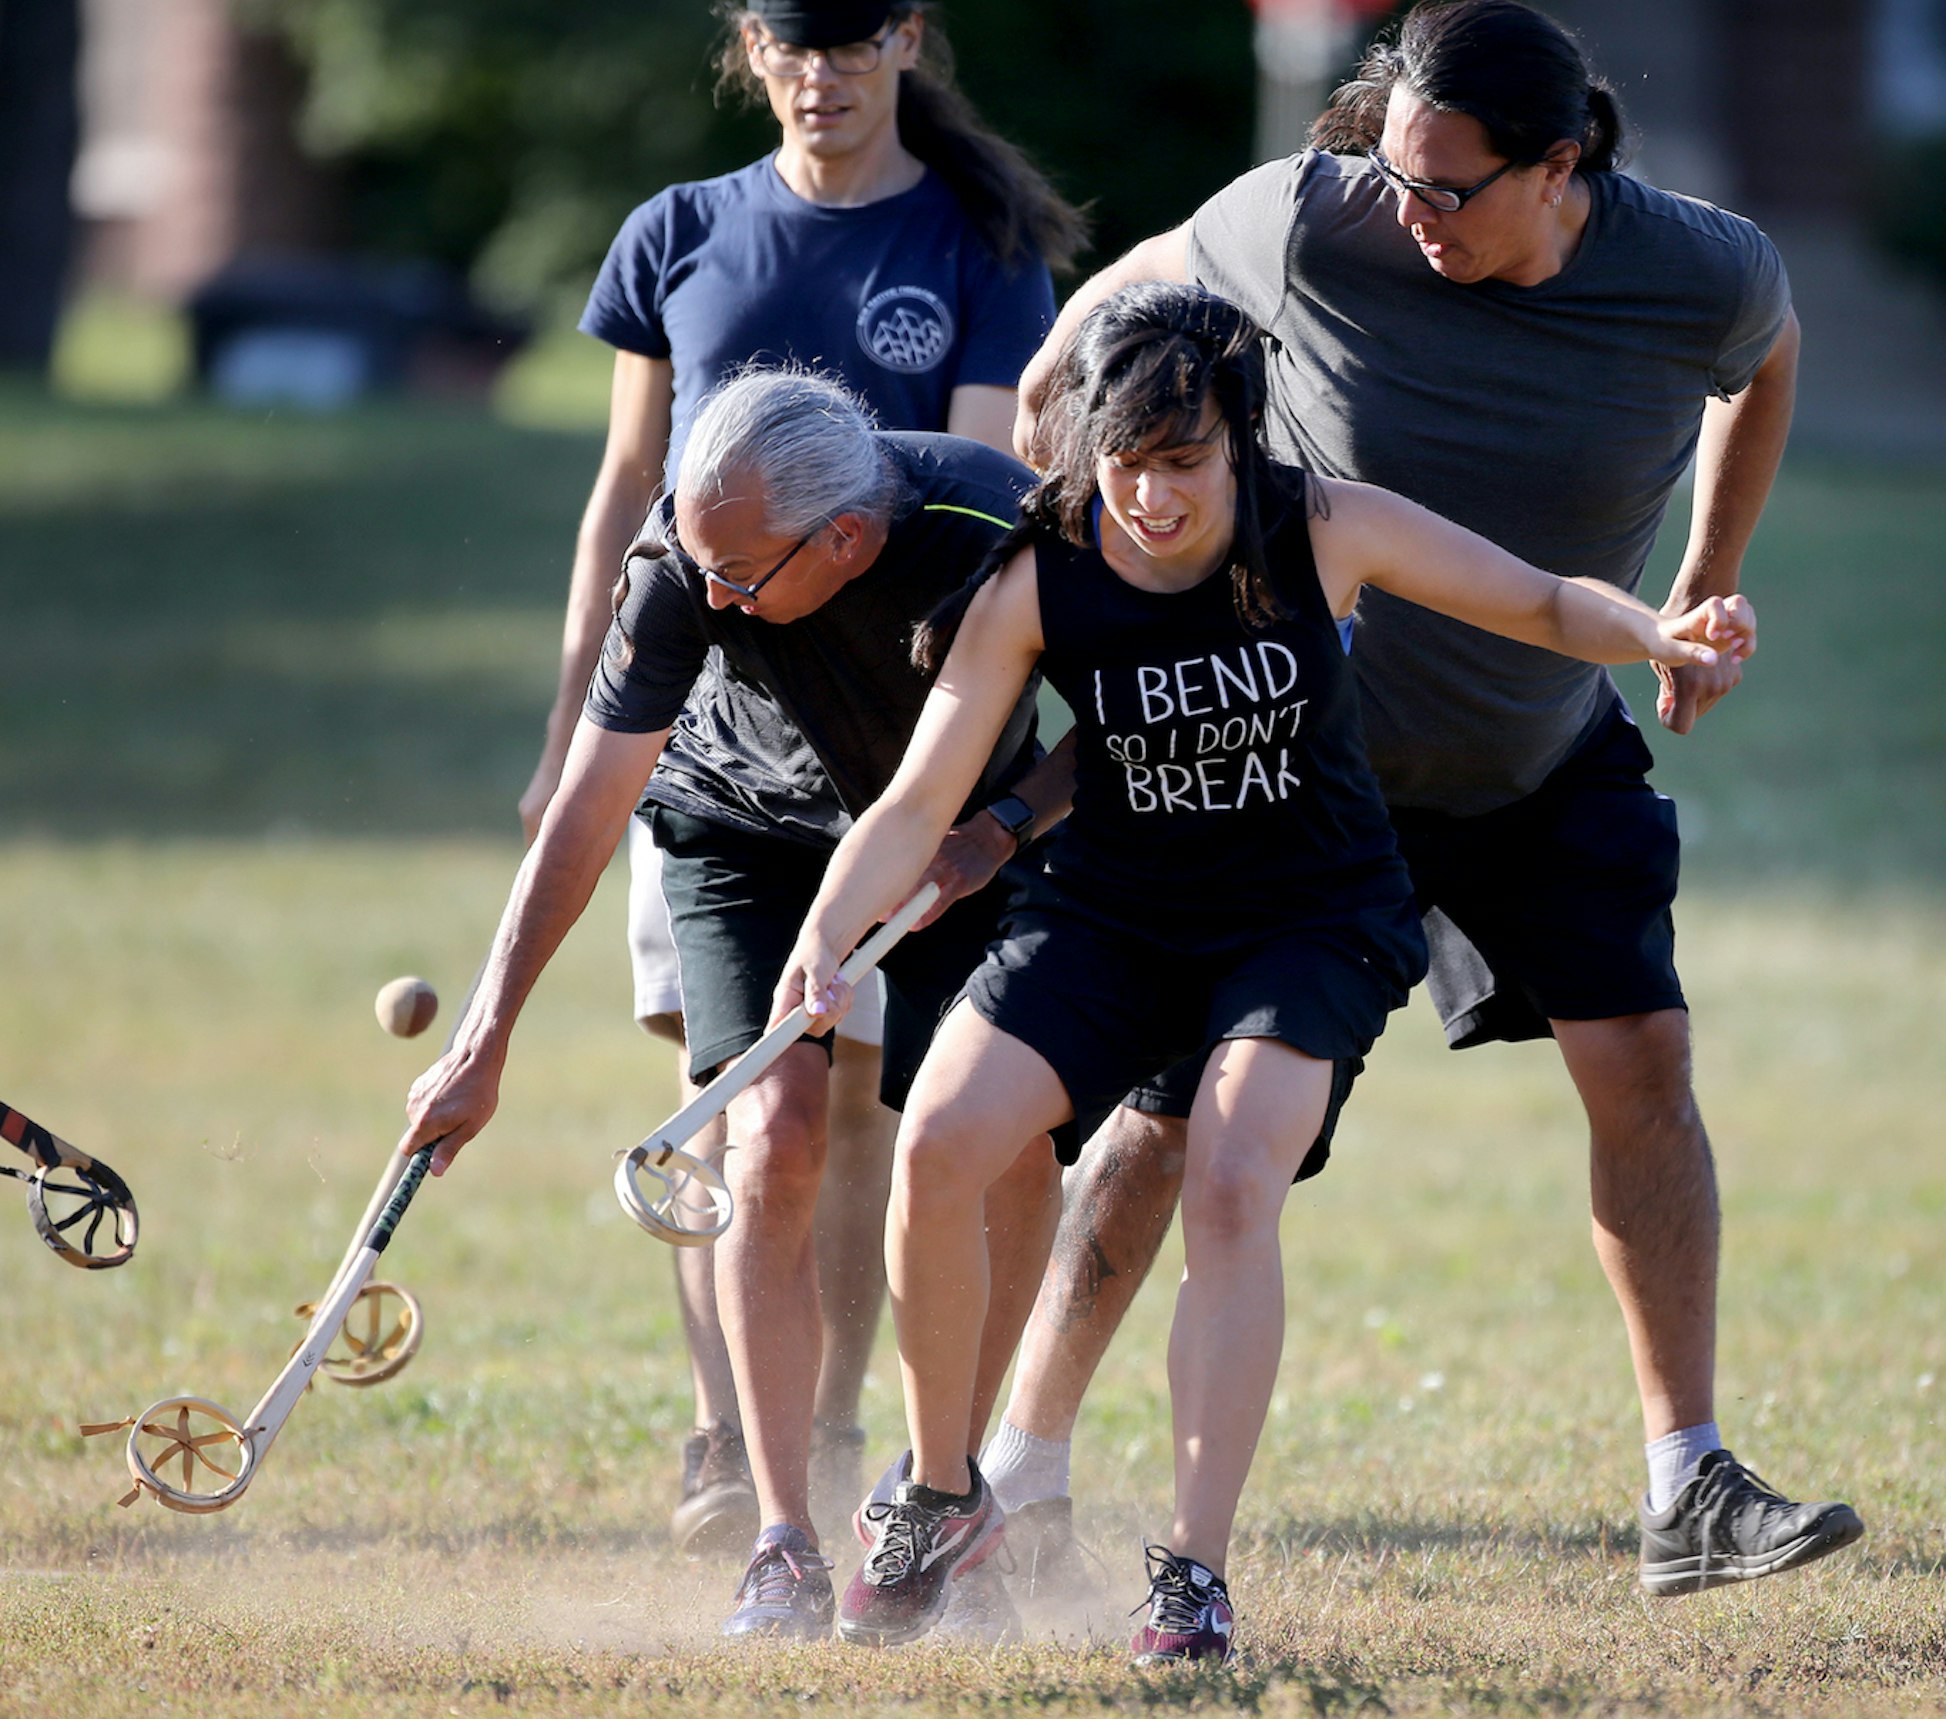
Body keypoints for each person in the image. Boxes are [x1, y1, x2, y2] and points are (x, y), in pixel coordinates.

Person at [991, 0, 1861, 1603]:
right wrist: (1059, 382)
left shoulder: (1700, 268)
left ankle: (1687, 1481)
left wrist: (1705, 577)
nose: (1411, 214)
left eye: (1449, 191)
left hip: (1533, 743)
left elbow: (1770, 351)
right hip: (1296, 781)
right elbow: (1149, 273)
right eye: (1394, 176)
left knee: (1645, 1062)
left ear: (1560, 165)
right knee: (1173, 1122)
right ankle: (1013, 1472)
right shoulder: (1319, 226)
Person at [772, 281, 1758, 1661]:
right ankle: (943, 1493)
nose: (1151, 498)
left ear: (1236, 437)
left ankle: (1188, 1572)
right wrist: (822, 936)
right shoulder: (1037, 572)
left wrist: (1657, 629)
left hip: (1308, 918)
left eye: (1182, 463)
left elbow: (1535, 599)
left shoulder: (1323, 524)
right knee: (939, 1137)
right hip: (1112, 911)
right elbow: (915, 799)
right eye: (1124, 463)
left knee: (1232, 1180)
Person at [515, 0, 1085, 1555]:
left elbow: (976, 520)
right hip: (709, 729)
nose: (818, 71)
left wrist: (960, 811)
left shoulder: (975, 237)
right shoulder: (678, 231)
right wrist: (572, 723)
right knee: (738, 1102)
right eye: (788, 37)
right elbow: (629, 489)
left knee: (881, 1109)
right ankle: (743, 1444)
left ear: (908, 38)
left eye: (849, 37)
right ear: (746, 47)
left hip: (914, 734)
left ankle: (870, 1432)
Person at [401, 370, 1071, 1640]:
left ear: (849, 540)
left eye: (741, 579)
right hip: (741, 832)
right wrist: (486, 1041)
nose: (709, 597)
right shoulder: (683, 555)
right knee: (772, 1138)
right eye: (699, 566)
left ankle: (947, 1505)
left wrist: (1005, 825)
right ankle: (783, 1541)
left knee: (1014, 1150)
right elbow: (589, 812)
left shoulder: (1000, 527)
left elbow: (1124, 705)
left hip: (963, 839)